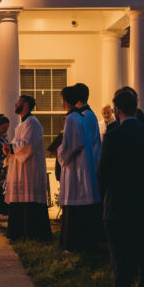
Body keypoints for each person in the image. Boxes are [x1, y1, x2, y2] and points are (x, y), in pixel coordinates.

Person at [97, 87, 144, 287]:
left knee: (120, 252)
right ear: (136, 107)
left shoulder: (113, 136)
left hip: (118, 202)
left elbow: (103, 172)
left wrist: (105, 196)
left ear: (116, 110)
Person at [57, 85, 100, 252]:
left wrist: (59, 152)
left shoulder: (72, 119)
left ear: (65, 101)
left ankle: (72, 244)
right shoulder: (80, 117)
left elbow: (71, 146)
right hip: (84, 164)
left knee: (75, 203)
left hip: (76, 168)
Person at [4, 95, 52, 241]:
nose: (15, 104)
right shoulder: (21, 125)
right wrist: (9, 148)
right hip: (19, 170)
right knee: (19, 201)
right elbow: (18, 144)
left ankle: (32, 233)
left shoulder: (33, 123)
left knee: (29, 200)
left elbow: (27, 145)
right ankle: (18, 232)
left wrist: (11, 148)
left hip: (30, 171)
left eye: (18, 102)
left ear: (25, 105)